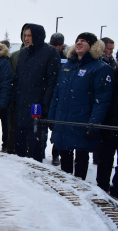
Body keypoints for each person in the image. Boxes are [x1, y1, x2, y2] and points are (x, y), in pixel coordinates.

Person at [48, 32, 113, 180]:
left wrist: (93, 125)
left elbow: (102, 100)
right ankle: (64, 189)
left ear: (93, 46)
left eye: (84, 41)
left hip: (82, 122)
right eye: (77, 40)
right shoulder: (68, 66)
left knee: (81, 160)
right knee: (64, 159)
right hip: (64, 121)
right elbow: (57, 94)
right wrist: (52, 117)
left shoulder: (100, 68)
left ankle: (79, 192)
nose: (79, 43)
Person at [13, 24, 60, 162]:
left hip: (37, 106)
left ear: (38, 36)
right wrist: (13, 99)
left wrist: (46, 103)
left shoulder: (50, 52)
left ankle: (34, 175)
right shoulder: (23, 53)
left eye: (30, 35)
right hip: (21, 105)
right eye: (25, 35)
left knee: (35, 146)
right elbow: (17, 79)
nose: (26, 38)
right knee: (19, 146)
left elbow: (53, 80)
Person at [96, 43, 118, 199]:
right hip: (108, 127)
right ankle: (101, 189)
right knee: (104, 161)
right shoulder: (112, 77)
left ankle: (116, 192)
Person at [49, 32, 69, 166]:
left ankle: (57, 154)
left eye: (59, 45)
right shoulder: (48, 56)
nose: (56, 48)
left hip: (62, 94)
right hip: (50, 93)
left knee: (60, 127)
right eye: (54, 45)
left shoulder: (67, 58)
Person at [6, 42, 25, 154]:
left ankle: (26, 151)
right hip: (15, 95)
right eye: (26, 35)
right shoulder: (15, 55)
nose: (27, 38)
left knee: (29, 127)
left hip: (32, 97)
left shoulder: (43, 54)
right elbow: (10, 77)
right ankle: (10, 147)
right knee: (12, 125)